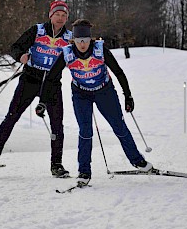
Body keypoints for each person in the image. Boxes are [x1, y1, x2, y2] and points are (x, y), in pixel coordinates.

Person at [35, 19, 153, 186]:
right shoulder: (67, 53)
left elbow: (118, 72)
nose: (82, 44)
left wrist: (128, 95)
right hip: (81, 93)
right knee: (85, 130)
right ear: (73, 40)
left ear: (90, 39)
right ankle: (84, 171)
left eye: (84, 40)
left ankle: (138, 161)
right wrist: (43, 102)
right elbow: (51, 77)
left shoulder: (100, 49)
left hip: (104, 91)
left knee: (118, 126)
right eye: (78, 40)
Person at [0, 0, 72, 178]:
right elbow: (15, 47)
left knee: (57, 125)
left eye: (64, 15)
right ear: (50, 15)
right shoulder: (37, 30)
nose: (60, 18)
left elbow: (77, 57)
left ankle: (57, 164)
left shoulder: (69, 37)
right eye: (57, 14)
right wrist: (21, 56)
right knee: (12, 116)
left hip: (52, 84)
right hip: (31, 79)